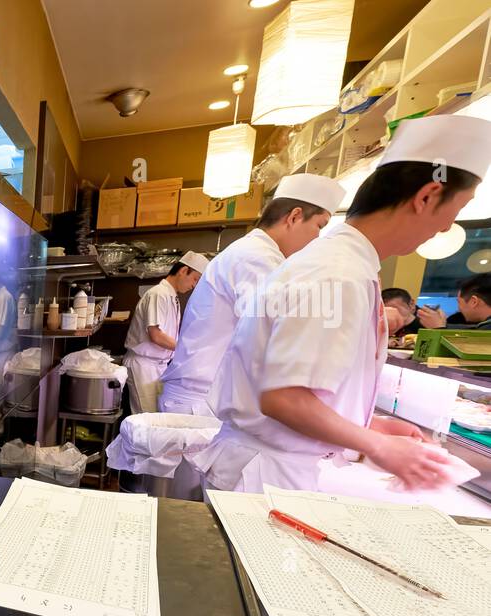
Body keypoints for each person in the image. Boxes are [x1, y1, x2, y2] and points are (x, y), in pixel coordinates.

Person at [195, 113, 491, 493]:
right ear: (428, 196)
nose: (449, 225)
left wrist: (367, 425)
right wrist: (378, 445)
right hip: (267, 479)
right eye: (459, 208)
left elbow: (298, 389)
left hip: (274, 468)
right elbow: (284, 399)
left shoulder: (347, 266)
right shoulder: (335, 274)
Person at [159, 174, 344, 416]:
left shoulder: (255, 252)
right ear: (295, 216)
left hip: (203, 398)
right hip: (200, 402)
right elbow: (279, 330)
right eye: (319, 226)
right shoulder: (257, 258)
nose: (317, 238)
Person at [123, 250, 209, 414]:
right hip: (144, 366)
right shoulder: (158, 294)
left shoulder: (172, 297)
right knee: (146, 421)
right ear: (184, 271)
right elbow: (156, 335)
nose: (194, 286)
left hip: (158, 366)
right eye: (195, 279)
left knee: (155, 418)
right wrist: (187, 349)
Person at [380, 287, 447, 336]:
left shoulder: (428, 324)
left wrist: (437, 328)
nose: (391, 315)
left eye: (395, 309)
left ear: (411, 304)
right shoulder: (380, 327)